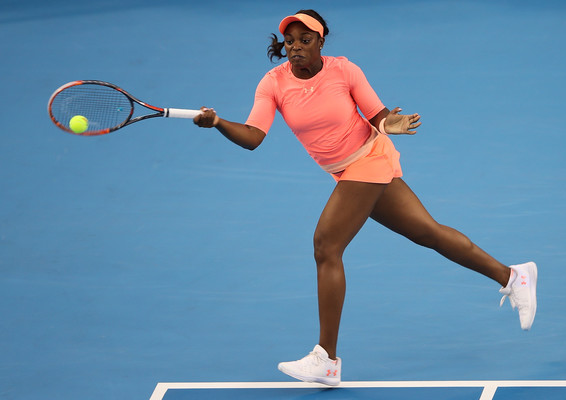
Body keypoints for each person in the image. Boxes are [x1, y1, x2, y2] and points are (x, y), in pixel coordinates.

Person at [193, 9, 537, 386]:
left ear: (321, 41)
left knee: (326, 246)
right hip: (344, 169)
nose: (296, 48)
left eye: (305, 40)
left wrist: (392, 125)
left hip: (369, 159)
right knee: (428, 233)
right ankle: (513, 275)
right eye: (290, 42)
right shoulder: (273, 83)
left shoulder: (344, 70)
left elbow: (379, 116)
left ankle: (326, 359)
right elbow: (253, 137)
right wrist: (218, 123)